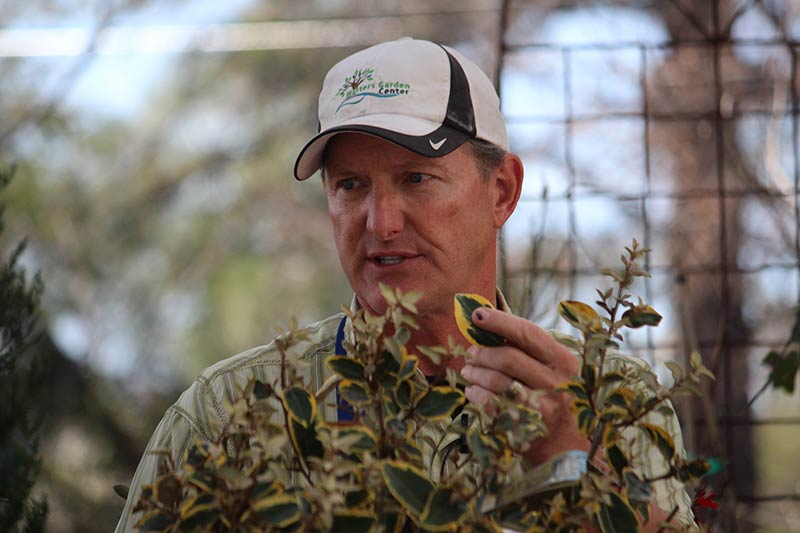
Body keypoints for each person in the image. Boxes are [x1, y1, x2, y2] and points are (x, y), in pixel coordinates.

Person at [116, 37, 694, 531]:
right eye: (349, 185)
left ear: (502, 192)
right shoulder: (228, 411)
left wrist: (572, 460)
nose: (381, 222)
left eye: (417, 177)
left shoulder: (611, 400)